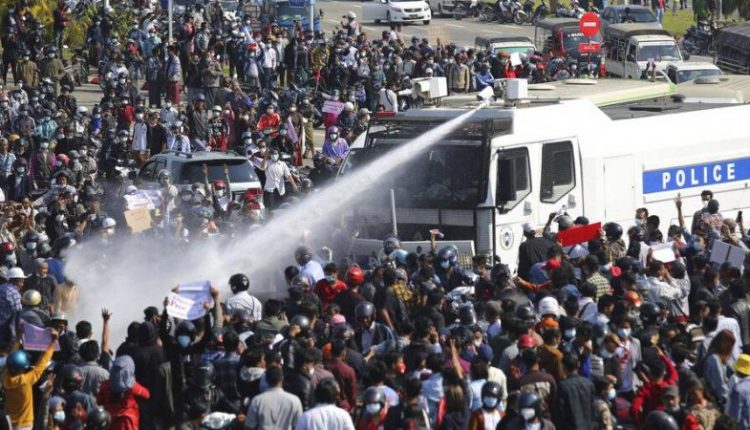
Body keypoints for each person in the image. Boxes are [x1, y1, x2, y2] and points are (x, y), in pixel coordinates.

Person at [3, 329, 58, 429]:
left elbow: (10, 358)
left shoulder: (4, 377)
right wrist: (53, 343)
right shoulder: (25, 381)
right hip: (24, 425)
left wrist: (19, 336)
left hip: (8, 424)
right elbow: (41, 365)